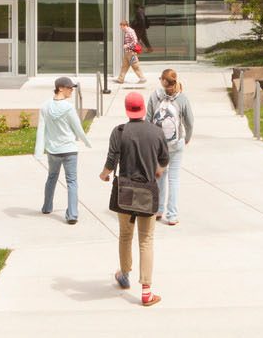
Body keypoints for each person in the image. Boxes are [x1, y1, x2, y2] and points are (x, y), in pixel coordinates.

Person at [100, 89, 170, 307]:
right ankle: (147, 291)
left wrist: (105, 174)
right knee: (146, 240)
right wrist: (158, 170)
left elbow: (112, 160)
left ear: (127, 109)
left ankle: (125, 275)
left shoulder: (119, 131)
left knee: (125, 235)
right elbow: (164, 159)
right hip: (148, 192)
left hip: (125, 193)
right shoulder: (156, 131)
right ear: (142, 109)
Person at [35, 75, 91, 224]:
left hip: (53, 150)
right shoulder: (68, 108)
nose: (71, 90)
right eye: (69, 88)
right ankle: (72, 215)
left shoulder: (45, 106)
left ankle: (47, 207)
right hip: (69, 149)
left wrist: (39, 151)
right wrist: (86, 141)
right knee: (72, 181)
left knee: (52, 177)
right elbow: (77, 128)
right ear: (60, 88)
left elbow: (41, 130)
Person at [147, 69, 194, 226]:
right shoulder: (182, 98)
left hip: (158, 146)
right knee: (174, 179)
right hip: (176, 144)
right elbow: (190, 122)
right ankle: (172, 215)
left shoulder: (155, 96)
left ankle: (158, 210)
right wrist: (186, 138)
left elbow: (148, 120)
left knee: (160, 176)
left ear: (162, 81)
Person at [117, 19, 145, 86]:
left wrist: (127, 45)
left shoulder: (130, 31)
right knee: (124, 66)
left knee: (135, 65)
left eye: (121, 27)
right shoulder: (127, 32)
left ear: (125, 26)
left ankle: (142, 78)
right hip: (127, 53)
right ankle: (120, 79)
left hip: (131, 53)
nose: (121, 28)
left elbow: (135, 41)